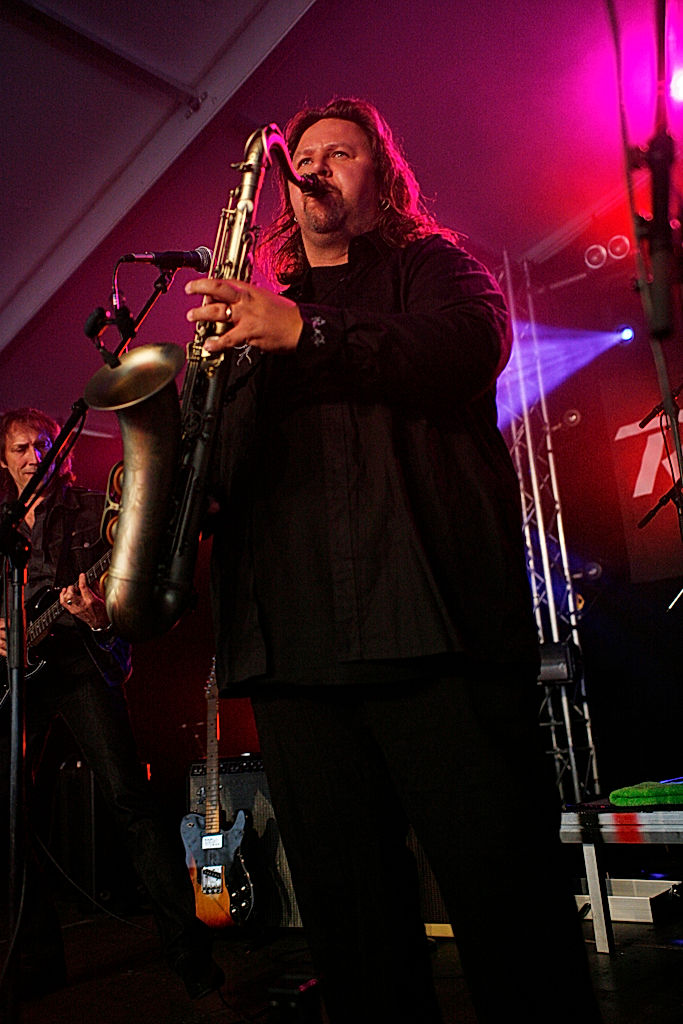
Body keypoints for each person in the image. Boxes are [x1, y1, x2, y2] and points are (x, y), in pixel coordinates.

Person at [184, 98, 604, 1022]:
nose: (314, 168)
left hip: (433, 633)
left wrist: (306, 331)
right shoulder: (250, 320)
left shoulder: (433, 266)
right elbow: (214, 474)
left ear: (384, 179)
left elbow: (466, 347)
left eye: (341, 153)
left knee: (507, 904)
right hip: (292, 653)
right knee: (353, 935)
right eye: (303, 158)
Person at [0, 407, 224, 1002]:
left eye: (43, 446)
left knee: (131, 803)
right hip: (23, 678)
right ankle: (38, 959)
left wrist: (100, 616)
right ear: (4, 460)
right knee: (10, 818)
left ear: (63, 453)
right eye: (20, 448)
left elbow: (132, 594)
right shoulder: (4, 529)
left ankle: (190, 955)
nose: (33, 458)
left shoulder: (97, 511)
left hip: (83, 667)